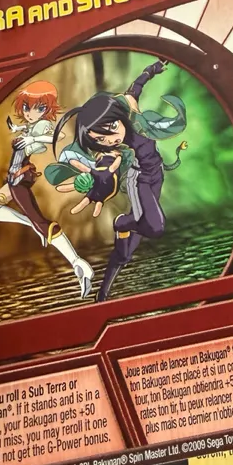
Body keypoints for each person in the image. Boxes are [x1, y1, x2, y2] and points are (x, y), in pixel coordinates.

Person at [47, 60, 187, 301]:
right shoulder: (111, 151)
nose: (111, 139)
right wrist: (98, 181)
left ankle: (102, 296)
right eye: (100, 139)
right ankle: (122, 222)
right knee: (155, 227)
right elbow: (104, 167)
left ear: (117, 115)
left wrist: (151, 69)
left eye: (111, 128)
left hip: (156, 175)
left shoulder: (130, 110)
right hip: (140, 180)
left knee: (125, 253)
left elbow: (135, 88)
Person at [0, 80, 95, 298]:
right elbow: (28, 131)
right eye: (27, 107)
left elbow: (57, 136)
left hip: (19, 181)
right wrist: (18, 130)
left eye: (39, 108)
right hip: (13, 181)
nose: (30, 113)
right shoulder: (32, 127)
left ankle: (78, 264)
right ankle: (32, 224)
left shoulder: (41, 127)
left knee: (43, 224)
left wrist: (31, 138)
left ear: (47, 109)